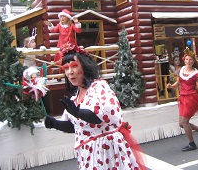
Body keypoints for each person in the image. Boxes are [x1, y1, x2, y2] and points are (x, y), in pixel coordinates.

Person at [44, 41, 146, 170]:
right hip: (88, 155)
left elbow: (107, 115)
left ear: (85, 67)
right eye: (66, 68)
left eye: (74, 66)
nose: (70, 72)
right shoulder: (74, 98)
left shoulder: (99, 87)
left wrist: (79, 113)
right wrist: (54, 124)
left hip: (107, 151)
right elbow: (77, 127)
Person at [167, 47, 198, 151]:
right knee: (181, 123)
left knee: (184, 122)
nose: (188, 61)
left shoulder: (196, 75)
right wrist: (171, 86)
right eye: (187, 59)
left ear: (193, 62)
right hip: (183, 99)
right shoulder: (181, 70)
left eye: (191, 60)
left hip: (191, 99)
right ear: (184, 59)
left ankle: (192, 143)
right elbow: (177, 83)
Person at [44, 9, 81, 80]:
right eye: (61, 17)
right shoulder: (59, 26)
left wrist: (77, 23)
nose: (62, 18)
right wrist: (50, 25)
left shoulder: (71, 25)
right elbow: (53, 30)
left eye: (63, 16)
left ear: (67, 18)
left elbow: (78, 31)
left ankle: (73, 73)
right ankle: (60, 75)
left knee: (72, 60)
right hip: (61, 45)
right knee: (61, 60)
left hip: (71, 45)